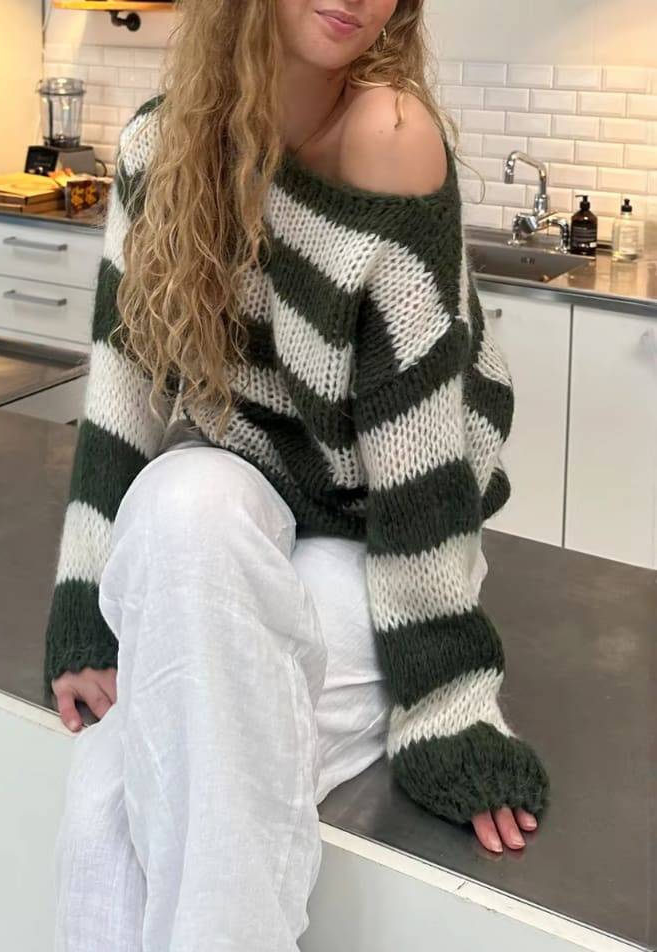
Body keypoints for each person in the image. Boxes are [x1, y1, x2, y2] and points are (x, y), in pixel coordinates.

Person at [44, 1, 551, 948]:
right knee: (179, 497)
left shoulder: (389, 138)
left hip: (379, 535)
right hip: (249, 486)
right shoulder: (158, 145)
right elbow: (125, 385)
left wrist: (447, 704)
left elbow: (422, 462)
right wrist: (84, 602)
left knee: (117, 785)